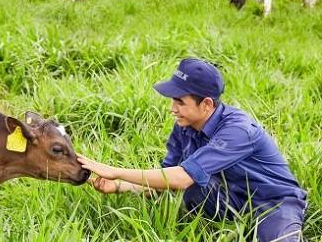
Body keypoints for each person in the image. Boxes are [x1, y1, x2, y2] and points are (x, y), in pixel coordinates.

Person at [77, 58, 307, 242]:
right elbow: (165, 180)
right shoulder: (185, 126)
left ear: (206, 104)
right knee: (193, 186)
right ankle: (216, 229)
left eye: (179, 102)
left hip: (273, 202)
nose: (172, 109)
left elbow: (179, 178)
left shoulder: (238, 130)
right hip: (229, 199)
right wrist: (117, 186)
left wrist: (113, 170)